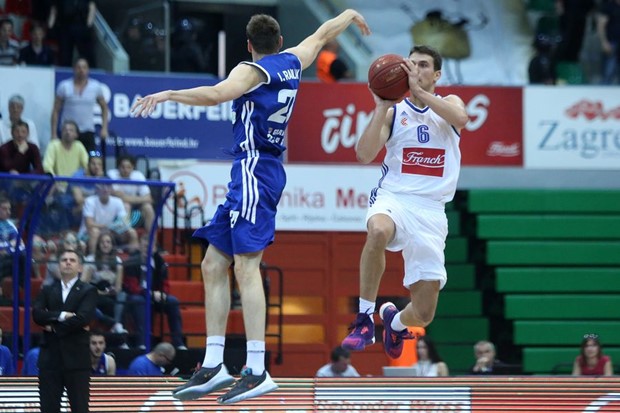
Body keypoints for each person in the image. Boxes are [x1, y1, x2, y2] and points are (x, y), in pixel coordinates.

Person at [131, 9, 370, 404]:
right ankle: (213, 363)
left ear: (249, 46)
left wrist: (168, 94)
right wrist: (347, 13)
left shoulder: (251, 70)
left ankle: (257, 368)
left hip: (256, 168)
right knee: (211, 263)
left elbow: (216, 94)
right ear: (278, 42)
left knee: (246, 266)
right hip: (254, 170)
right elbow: (322, 31)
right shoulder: (293, 60)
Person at [340, 45, 468, 361]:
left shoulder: (448, 104)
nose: (414, 70)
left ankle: (395, 323)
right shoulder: (395, 113)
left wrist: (419, 93)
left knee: (424, 313)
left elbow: (462, 118)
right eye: (409, 64)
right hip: (395, 198)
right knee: (378, 231)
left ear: (437, 74)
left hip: (431, 210)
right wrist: (382, 105)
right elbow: (364, 155)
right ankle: (364, 319)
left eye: (422, 65)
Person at [32, 248, 98, 413]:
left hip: (77, 361)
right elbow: (37, 315)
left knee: (79, 408)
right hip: (50, 360)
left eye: (72, 260)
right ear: (58, 266)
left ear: (80, 267)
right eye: (64, 260)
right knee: (48, 408)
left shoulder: (88, 290)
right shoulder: (47, 289)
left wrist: (53, 326)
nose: (68, 262)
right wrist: (62, 315)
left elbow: (83, 318)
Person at [123, 234, 186, 350]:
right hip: (137, 296)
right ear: (140, 247)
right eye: (144, 246)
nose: (147, 249)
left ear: (155, 248)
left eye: (150, 246)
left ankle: (178, 343)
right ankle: (142, 343)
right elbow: (132, 287)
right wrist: (150, 294)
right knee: (138, 301)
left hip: (155, 295)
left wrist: (163, 294)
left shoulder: (159, 261)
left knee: (173, 301)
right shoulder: (131, 261)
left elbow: (165, 283)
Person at [51, 58, 109, 152]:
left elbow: (105, 108)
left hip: (88, 131)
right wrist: (53, 133)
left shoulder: (95, 87)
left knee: (89, 162)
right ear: (74, 69)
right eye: (78, 67)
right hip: (68, 131)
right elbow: (55, 110)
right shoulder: (64, 86)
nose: (81, 70)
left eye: (84, 67)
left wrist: (104, 128)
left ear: (88, 70)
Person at [77, 182, 139, 255]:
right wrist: (108, 226)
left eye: (108, 186)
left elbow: (125, 222)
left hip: (109, 232)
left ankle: (133, 257)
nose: (105, 189)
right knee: (95, 231)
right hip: (86, 234)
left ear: (111, 189)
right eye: (102, 186)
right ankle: (92, 257)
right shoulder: (90, 201)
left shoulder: (117, 201)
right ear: (97, 189)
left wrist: (118, 226)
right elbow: (89, 224)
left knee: (132, 232)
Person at [107, 154, 155, 231]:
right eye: (123, 167)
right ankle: (128, 236)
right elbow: (118, 196)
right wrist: (139, 199)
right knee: (126, 205)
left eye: (129, 167)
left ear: (133, 167)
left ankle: (152, 241)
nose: (126, 170)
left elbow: (148, 198)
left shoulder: (138, 175)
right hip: (117, 206)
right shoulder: (112, 174)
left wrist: (127, 198)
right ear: (118, 167)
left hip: (136, 207)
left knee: (148, 208)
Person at [47, 0, 96, 67]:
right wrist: (50, 27)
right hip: (65, 27)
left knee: (86, 54)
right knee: (65, 55)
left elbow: (92, 8)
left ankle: (88, 72)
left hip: (81, 26)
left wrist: (88, 26)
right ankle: (64, 73)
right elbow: (54, 10)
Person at [597, 0, 620, 84]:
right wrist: (604, 42)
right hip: (612, 43)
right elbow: (601, 25)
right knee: (608, 73)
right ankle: (603, 93)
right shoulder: (608, 6)